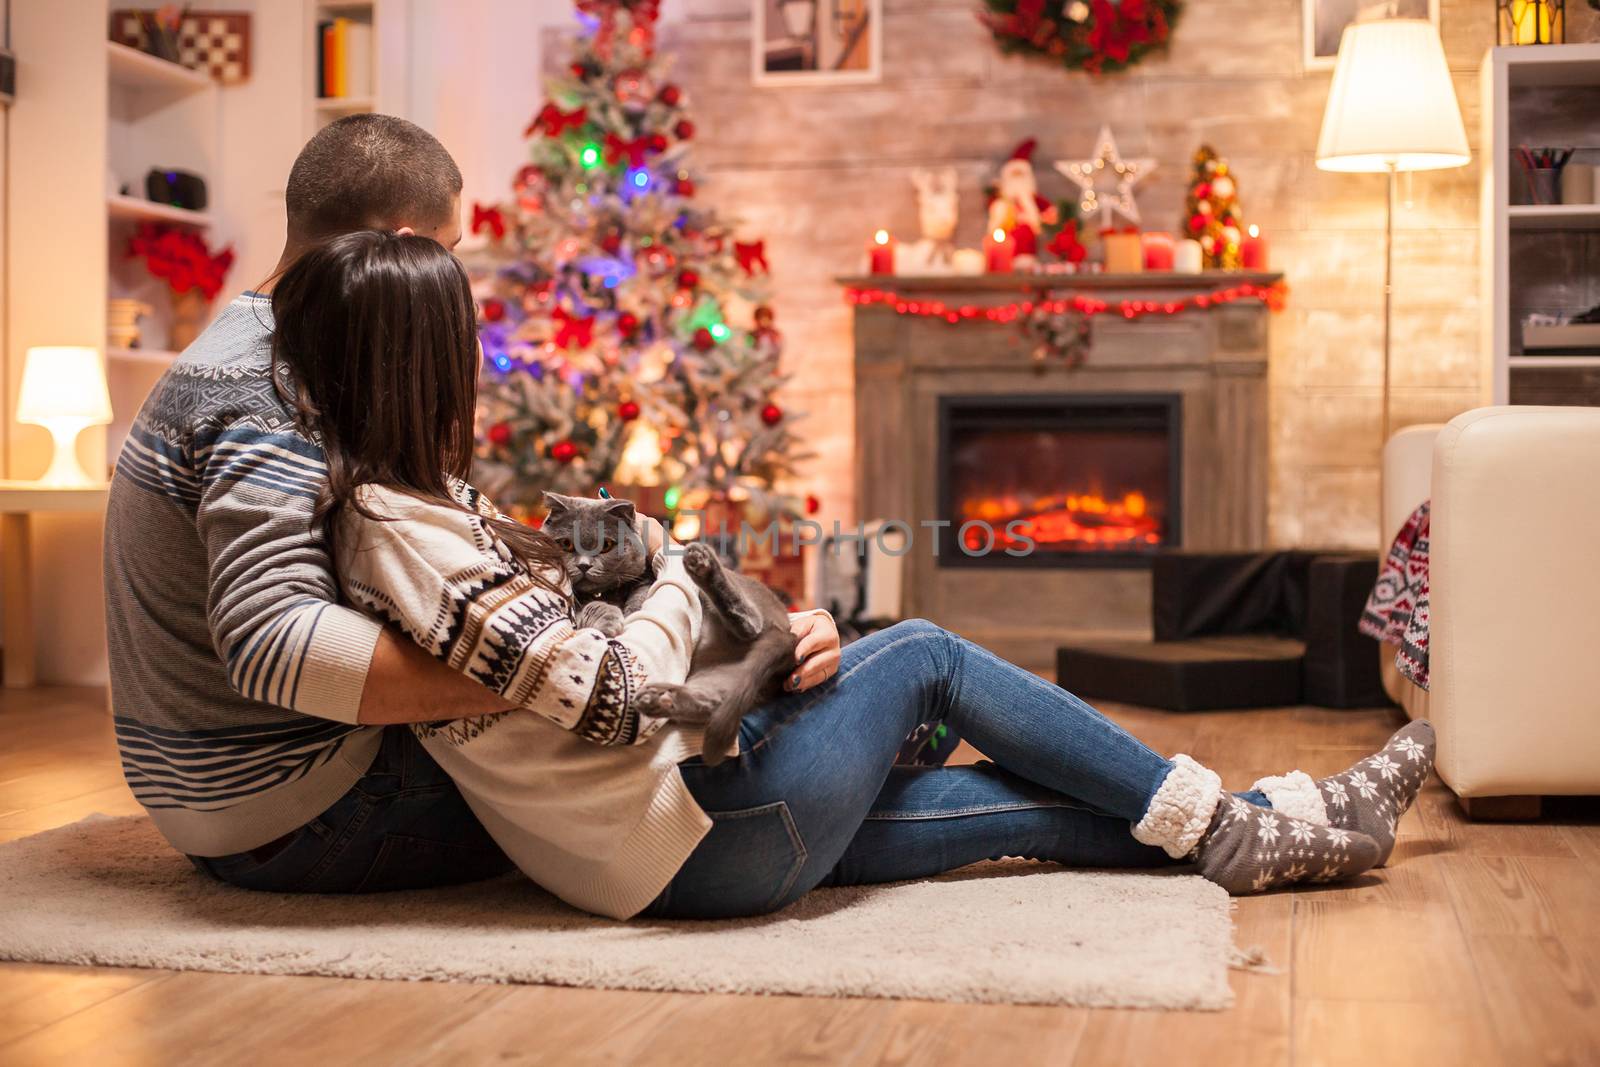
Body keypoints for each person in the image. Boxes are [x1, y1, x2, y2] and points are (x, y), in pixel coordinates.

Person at [271, 228, 1437, 921]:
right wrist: (680, 569)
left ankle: (1270, 819)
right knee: (925, 652)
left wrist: (699, 608)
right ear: (420, 361)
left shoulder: (418, 509)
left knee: (1001, 809)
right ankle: (1246, 821)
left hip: (677, 845)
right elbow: (614, 694)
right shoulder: (395, 528)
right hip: (689, 826)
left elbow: (583, 661)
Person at [102, 113, 844, 894]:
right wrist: (537, 665)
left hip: (220, 796)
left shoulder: (249, 350)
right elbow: (272, 643)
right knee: (704, 763)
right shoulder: (275, 387)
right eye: (450, 252)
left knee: (732, 731)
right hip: (297, 807)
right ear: (402, 246)